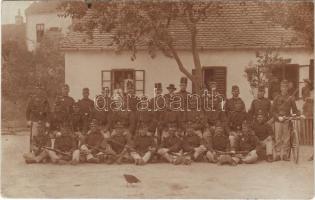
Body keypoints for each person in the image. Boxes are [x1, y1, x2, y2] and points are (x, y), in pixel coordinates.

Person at [271, 80, 299, 161]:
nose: (284, 88)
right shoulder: (276, 98)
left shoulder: (291, 98)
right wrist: (278, 117)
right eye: (282, 86)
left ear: (287, 88)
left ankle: (285, 155)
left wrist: (299, 114)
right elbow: (272, 111)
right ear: (280, 88)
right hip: (278, 120)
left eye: (286, 87)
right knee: (278, 138)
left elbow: (295, 110)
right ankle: (278, 154)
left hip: (286, 119)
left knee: (286, 138)